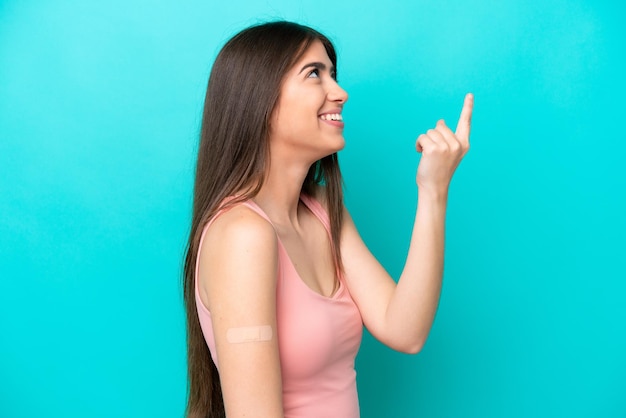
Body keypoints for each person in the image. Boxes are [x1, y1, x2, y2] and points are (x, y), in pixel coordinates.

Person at [182, 20, 473, 418]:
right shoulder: (242, 235)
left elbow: (405, 329)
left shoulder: (321, 211)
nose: (340, 92)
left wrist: (433, 191)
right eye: (314, 74)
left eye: (332, 74)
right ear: (260, 99)